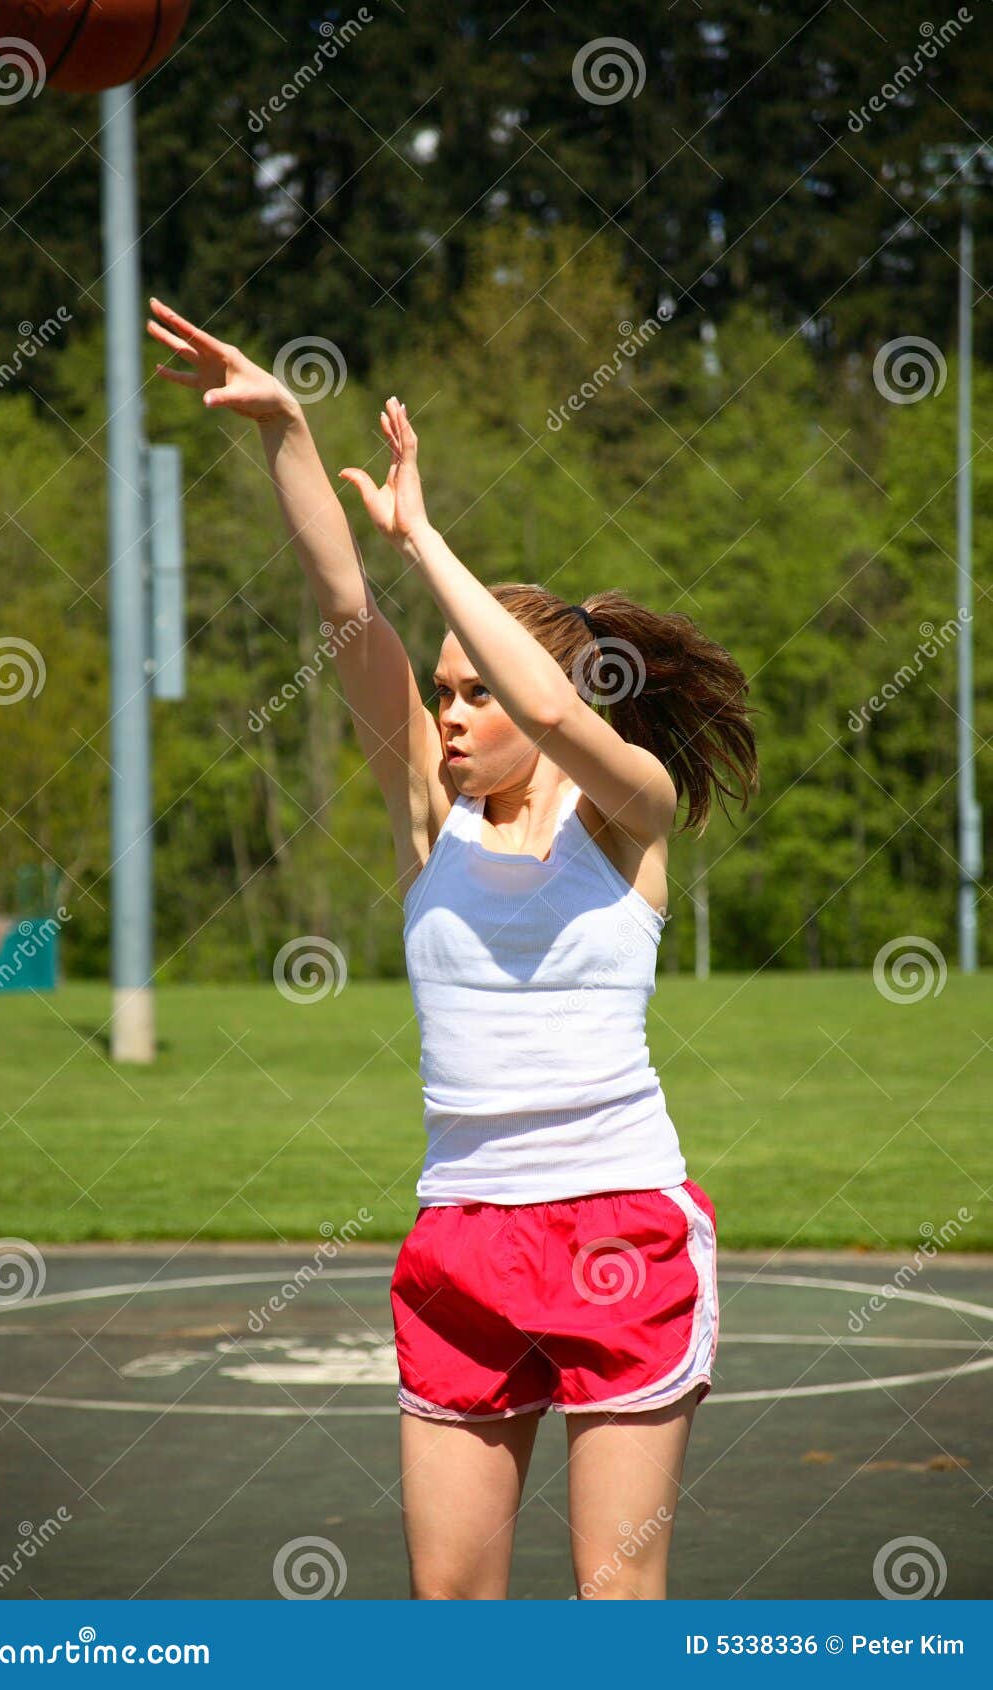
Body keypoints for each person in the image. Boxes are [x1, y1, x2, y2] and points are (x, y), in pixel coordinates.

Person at [147, 299, 760, 1600]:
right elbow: (342, 612)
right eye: (446, 690)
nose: (456, 707)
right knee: (451, 1615)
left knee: (614, 1603)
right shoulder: (430, 818)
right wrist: (287, 435)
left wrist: (425, 531)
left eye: (474, 686)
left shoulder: (629, 814)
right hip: (463, 1232)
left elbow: (546, 694)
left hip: (620, 1225)